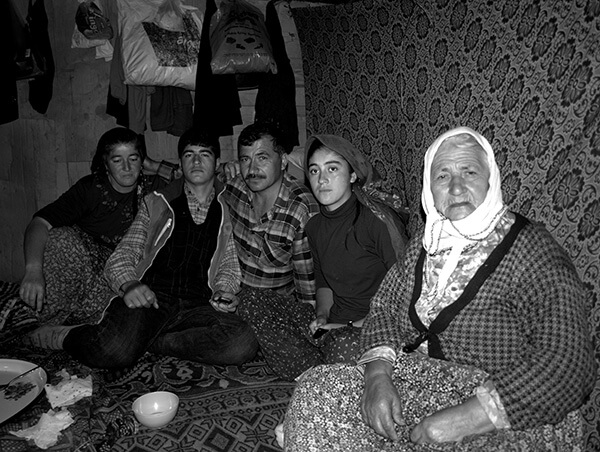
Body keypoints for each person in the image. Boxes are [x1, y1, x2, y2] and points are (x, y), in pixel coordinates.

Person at [281, 127, 596, 450]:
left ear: (491, 179)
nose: (456, 187)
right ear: (429, 189)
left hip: (505, 403)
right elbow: (385, 308)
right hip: (422, 383)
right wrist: (378, 377)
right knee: (314, 396)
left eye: (469, 172)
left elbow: (569, 361)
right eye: (442, 176)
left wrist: (468, 417)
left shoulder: (532, 250)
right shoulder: (426, 242)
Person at [27, 129, 258, 369]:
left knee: (242, 342)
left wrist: (224, 291)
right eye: (189, 155)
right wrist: (131, 284)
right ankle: (65, 336)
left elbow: (229, 264)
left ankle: (149, 342)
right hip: (151, 298)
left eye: (205, 155)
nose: (197, 161)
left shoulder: (229, 205)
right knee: (112, 352)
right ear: (181, 162)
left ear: (217, 162)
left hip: (197, 306)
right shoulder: (156, 202)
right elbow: (121, 257)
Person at [19, 127, 176, 326]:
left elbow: (195, 175)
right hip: (84, 264)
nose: (127, 167)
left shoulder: (153, 188)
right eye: (117, 160)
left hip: (123, 273)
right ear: (106, 164)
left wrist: (154, 165)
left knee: (136, 311)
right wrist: (33, 270)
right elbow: (40, 223)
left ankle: (82, 324)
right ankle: (49, 324)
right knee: (61, 239)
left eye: (133, 159)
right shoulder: (91, 188)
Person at [210, 122, 320, 381]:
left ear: (282, 161)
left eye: (262, 158)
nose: (252, 168)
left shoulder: (301, 209)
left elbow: (308, 286)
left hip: (280, 306)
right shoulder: (233, 187)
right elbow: (196, 174)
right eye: (245, 159)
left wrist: (312, 327)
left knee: (307, 351)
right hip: (234, 297)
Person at [301, 134, 408, 363]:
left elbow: (404, 297)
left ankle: (328, 368)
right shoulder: (314, 227)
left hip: (373, 328)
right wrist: (321, 317)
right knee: (254, 302)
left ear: (351, 175)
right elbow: (324, 283)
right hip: (333, 325)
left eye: (332, 169)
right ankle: (324, 368)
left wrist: (344, 327)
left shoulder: (377, 221)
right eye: (314, 171)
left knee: (343, 346)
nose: (322, 179)